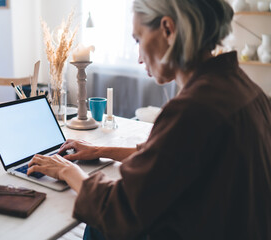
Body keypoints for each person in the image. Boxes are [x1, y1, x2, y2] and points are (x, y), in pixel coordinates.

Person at [27, 0, 271, 239]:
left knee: (98, 225)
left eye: (138, 39)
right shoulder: (246, 89)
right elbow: (175, 156)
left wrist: (68, 170)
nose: (139, 58)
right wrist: (101, 150)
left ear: (168, 29)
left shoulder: (192, 109)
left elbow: (117, 208)